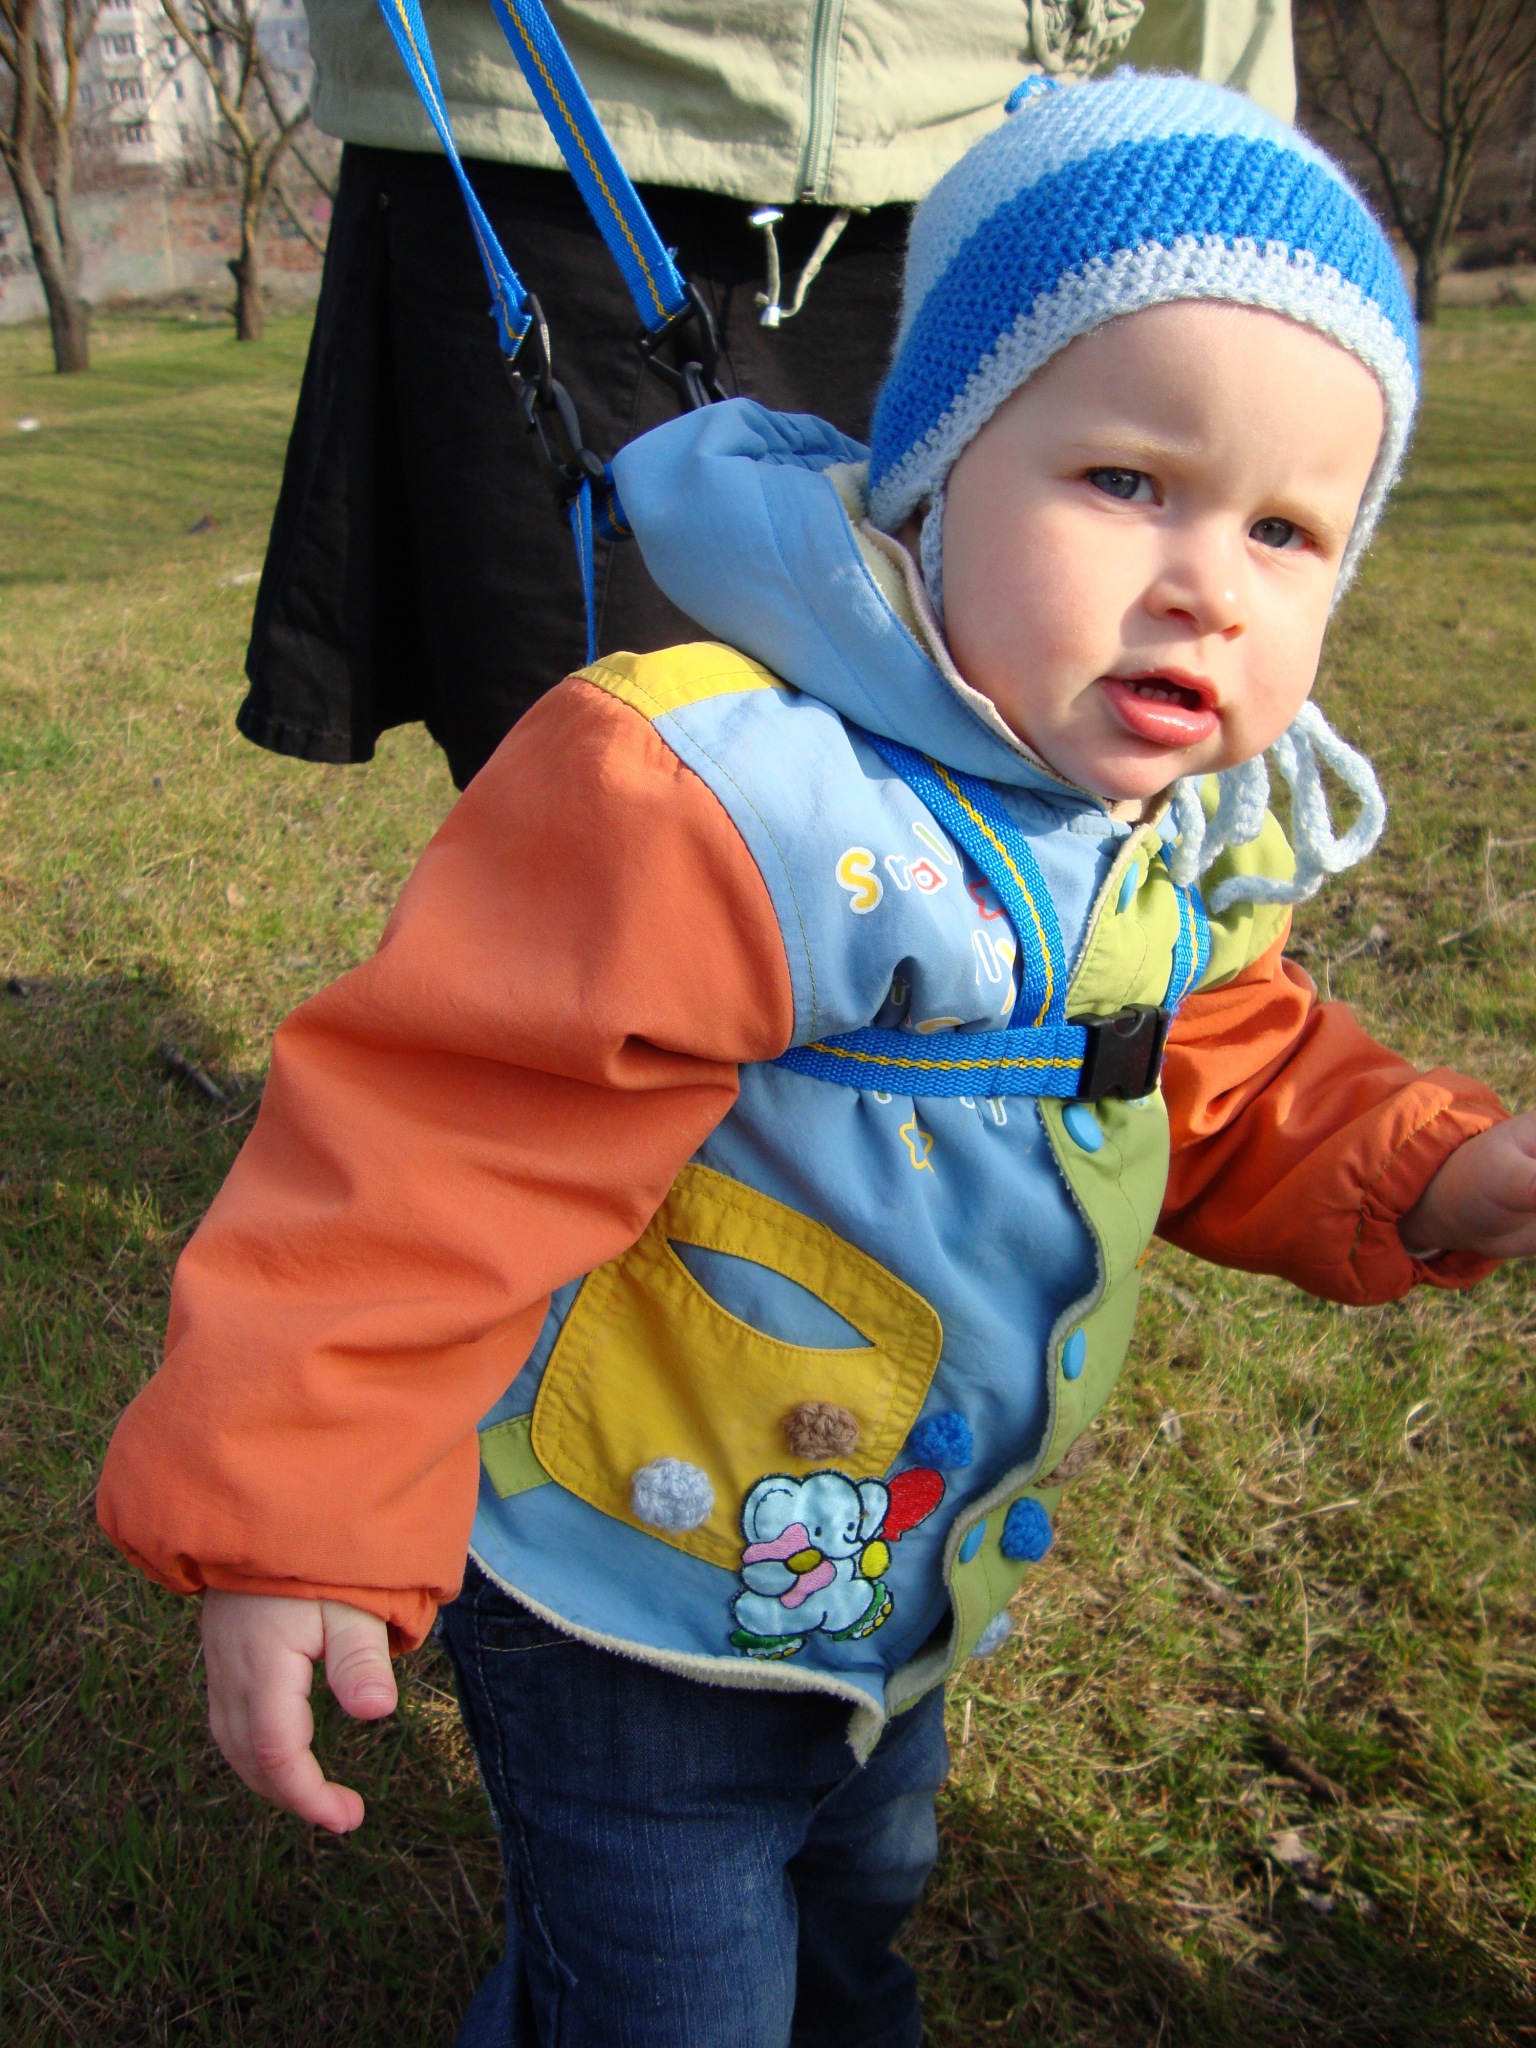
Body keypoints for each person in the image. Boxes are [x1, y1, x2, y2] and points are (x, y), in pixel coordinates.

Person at [101, 71, 1536, 2048]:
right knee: (667, 2001)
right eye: (1128, 480)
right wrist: (293, 1504)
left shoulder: (1150, 837)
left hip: (885, 1585)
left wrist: (1423, 1161)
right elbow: (438, 1148)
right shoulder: (728, 794)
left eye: (1287, 529)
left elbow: (1220, 1061)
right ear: (935, 472)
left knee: (858, 1914)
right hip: (630, 1587)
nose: (1208, 580)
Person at [241, 0, 1298, 788]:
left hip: (970, 167)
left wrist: (1235, 200)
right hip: (538, 107)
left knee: (985, 760)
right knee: (591, 775)